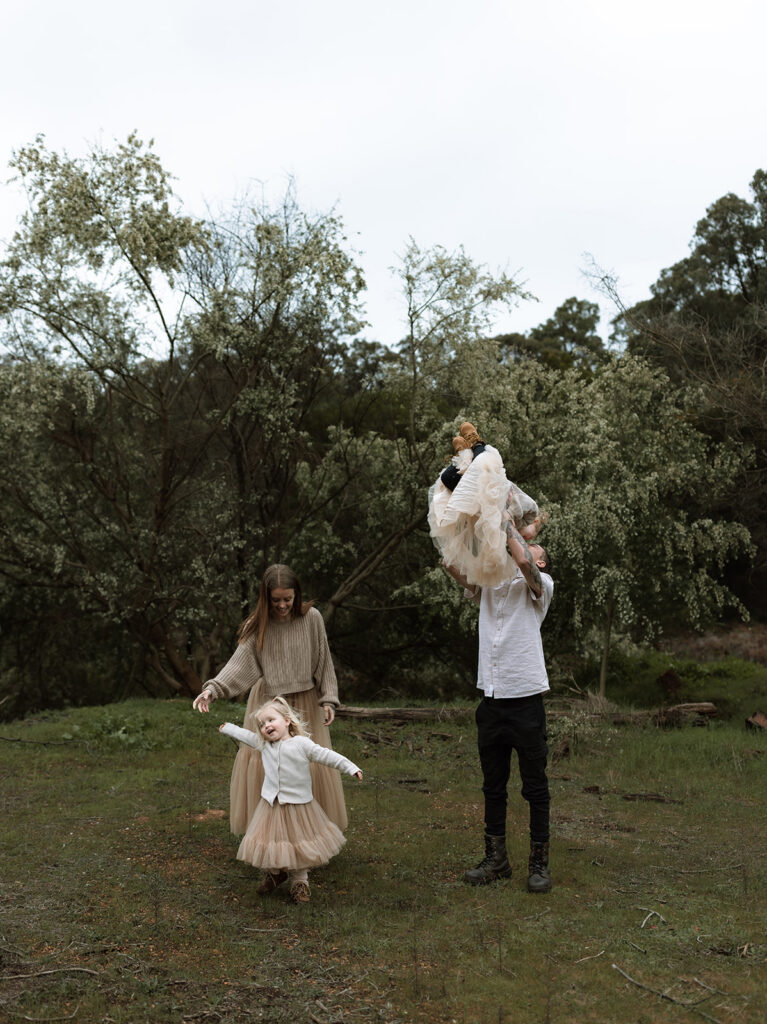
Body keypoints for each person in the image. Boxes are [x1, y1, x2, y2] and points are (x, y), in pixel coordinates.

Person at [443, 514, 554, 894]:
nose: (524, 549)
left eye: (532, 547)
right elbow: (451, 566)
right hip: (490, 699)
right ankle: (496, 859)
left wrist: (505, 521)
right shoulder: (490, 583)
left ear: (541, 561)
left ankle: (539, 863)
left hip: (526, 700)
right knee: (493, 785)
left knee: (535, 786)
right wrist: (463, 527)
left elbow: (522, 560)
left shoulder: (541, 586)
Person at [192, 564, 347, 835]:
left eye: (288, 599)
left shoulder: (312, 618)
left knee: (307, 762)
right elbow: (238, 664)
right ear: (266, 598)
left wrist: (328, 699)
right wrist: (212, 689)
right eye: (276, 600)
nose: (283, 605)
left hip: (305, 702)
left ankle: (311, 834)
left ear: (296, 594)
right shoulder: (258, 625)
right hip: (269, 705)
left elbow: (324, 660)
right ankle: (270, 834)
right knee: (266, 765)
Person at [218, 697, 362, 903]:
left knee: (298, 843)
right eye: (262, 724)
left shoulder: (301, 744)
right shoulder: (264, 745)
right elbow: (247, 736)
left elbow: (327, 755)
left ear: (286, 721)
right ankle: (275, 873)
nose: (266, 726)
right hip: (271, 805)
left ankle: (300, 883)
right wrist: (228, 728)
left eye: (270, 720)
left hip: (299, 806)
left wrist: (351, 767)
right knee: (270, 841)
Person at [428, 422, 546, 589]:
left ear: (540, 563)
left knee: (448, 479)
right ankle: (476, 444)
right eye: (531, 542)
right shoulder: (529, 512)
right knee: (484, 467)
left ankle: (464, 457)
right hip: (496, 490)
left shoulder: (499, 572)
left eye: (532, 545)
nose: (527, 542)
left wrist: (455, 548)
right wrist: (507, 513)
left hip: (482, 505)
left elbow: (453, 563)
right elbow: (525, 548)